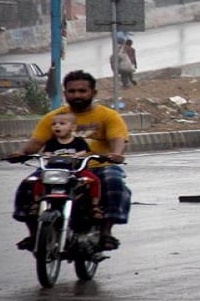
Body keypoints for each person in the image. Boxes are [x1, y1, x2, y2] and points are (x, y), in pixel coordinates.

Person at [11, 70, 130, 252]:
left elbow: (117, 138)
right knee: (28, 185)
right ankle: (34, 235)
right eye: (72, 91)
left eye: (82, 91)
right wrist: (20, 152)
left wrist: (116, 153)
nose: (77, 95)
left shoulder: (108, 115)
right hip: (59, 169)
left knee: (114, 181)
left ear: (93, 93)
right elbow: (36, 142)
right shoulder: (54, 118)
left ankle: (106, 233)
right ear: (65, 93)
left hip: (97, 167)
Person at [34, 113, 103, 220]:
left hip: (75, 171)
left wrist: (76, 155)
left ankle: (94, 205)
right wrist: (48, 155)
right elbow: (46, 153)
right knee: (38, 180)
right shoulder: (51, 142)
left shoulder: (78, 141)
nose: (57, 126)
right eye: (54, 124)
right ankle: (37, 203)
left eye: (62, 123)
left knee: (94, 180)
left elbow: (85, 151)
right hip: (54, 170)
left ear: (73, 127)